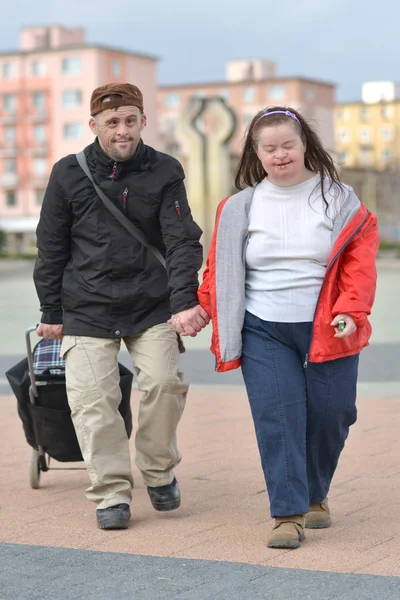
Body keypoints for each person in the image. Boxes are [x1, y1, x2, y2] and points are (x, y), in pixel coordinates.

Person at [194, 106, 378, 549]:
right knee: (279, 416)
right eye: (269, 148)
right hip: (264, 327)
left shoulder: (338, 198)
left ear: (305, 145)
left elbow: (358, 262)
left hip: (328, 324)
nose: (280, 155)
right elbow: (219, 268)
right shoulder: (239, 206)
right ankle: (288, 513)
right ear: (256, 154)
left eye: (287, 145)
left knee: (333, 414)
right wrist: (202, 308)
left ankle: (315, 492)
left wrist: (350, 309)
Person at [33, 83, 209, 530]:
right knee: (93, 402)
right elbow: (51, 246)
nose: (122, 130)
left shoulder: (165, 170)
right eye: (112, 122)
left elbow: (181, 240)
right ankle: (112, 492)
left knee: (164, 384)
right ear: (94, 126)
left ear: (143, 122)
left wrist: (185, 301)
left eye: (130, 120)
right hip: (86, 307)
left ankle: (157, 468)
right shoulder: (68, 173)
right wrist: (51, 311)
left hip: (152, 305)